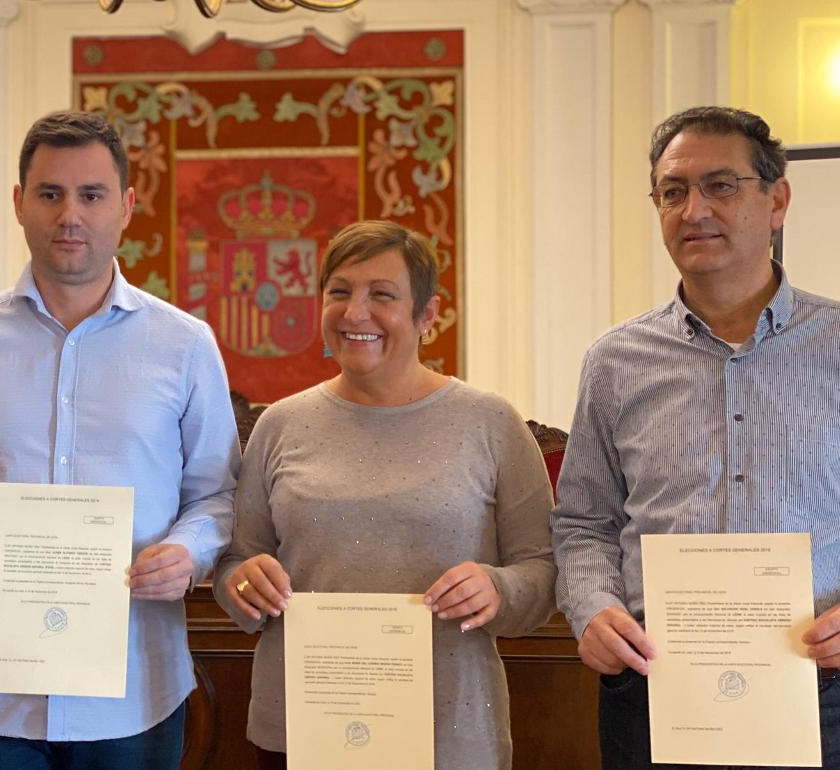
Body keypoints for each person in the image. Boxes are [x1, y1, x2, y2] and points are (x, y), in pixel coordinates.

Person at [0, 110, 240, 770]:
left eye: (91, 195)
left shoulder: (184, 345)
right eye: (50, 193)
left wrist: (187, 552)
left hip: (134, 690)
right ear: (19, 203)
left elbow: (218, 496)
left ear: (126, 206)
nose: (70, 215)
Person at [552, 105, 840, 769]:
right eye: (672, 192)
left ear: (778, 200)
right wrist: (592, 609)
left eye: (720, 185)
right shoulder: (615, 362)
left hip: (822, 695)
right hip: (654, 693)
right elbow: (582, 524)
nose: (693, 210)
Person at [213, 219, 556, 770]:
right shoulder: (280, 425)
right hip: (302, 727)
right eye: (339, 292)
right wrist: (244, 583)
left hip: (449, 731)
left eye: (382, 295)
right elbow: (235, 563)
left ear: (428, 315)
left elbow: (542, 570)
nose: (354, 313)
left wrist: (498, 589)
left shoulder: (491, 423)